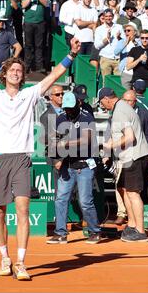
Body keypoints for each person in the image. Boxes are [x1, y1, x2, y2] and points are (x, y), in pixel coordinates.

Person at [0, 28, 81, 280]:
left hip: (21, 159)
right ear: (4, 75)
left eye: (19, 70)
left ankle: (21, 262)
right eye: (11, 69)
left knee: (23, 210)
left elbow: (55, 74)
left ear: (23, 76)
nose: (15, 72)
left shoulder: (30, 94)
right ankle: (4, 258)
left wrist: (72, 54)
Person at [46, 92, 101, 244]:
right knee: (61, 199)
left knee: (85, 201)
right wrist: (56, 158)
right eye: (66, 108)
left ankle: (94, 231)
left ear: (78, 103)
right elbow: (53, 140)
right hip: (68, 165)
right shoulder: (61, 118)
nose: (68, 111)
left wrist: (66, 143)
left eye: (71, 108)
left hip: (85, 165)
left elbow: (87, 139)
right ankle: (60, 233)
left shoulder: (86, 117)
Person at [100, 87, 148, 242]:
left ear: (107, 99)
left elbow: (130, 137)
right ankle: (133, 225)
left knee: (133, 193)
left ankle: (140, 232)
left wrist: (111, 145)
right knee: (124, 189)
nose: (102, 105)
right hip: (127, 157)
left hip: (134, 156)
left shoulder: (120, 110)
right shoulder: (119, 108)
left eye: (102, 102)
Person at [39, 84, 64, 191]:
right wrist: (56, 160)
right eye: (58, 94)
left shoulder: (69, 111)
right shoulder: (45, 116)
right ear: (50, 97)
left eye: (62, 94)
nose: (61, 96)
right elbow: (47, 140)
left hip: (72, 158)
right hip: (58, 159)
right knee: (60, 193)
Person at [22, 0, 48, 74]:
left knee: (39, 45)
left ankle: (39, 66)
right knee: (28, 45)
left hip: (40, 22)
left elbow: (46, 3)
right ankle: (27, 66)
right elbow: (23, 5)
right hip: (28, 22)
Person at [94, 8, 124, 80]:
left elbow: (124, 43)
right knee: (106, 81)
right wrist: (107, 39)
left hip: (118, 59)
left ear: (113, 17)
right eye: (106, 16)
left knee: (118, 82)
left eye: (110, 16)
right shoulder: (99, 29)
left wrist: (119, 38)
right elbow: (97, 46)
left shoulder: (119, 27)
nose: (108, 18)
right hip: (105, 58)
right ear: (103, 17)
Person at [114, 21, 139, 90]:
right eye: (125, 31)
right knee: (126, 93)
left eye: (128, 30)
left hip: (136, 72)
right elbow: (116, 52)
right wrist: (125, 44)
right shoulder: (122, 41)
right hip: (125, 72)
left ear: (134, 32)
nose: (126, 33)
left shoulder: (139, 42)